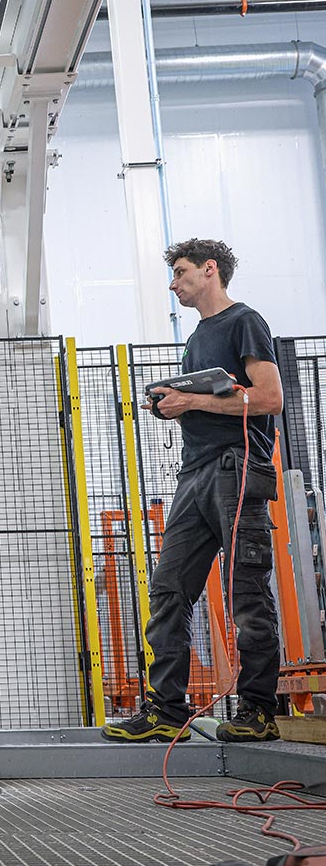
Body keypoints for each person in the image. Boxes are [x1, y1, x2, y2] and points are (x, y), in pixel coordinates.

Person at [102, 238, 284, 744]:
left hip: (236, 469)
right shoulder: (198, 337)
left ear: (210, 270)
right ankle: (166, 710)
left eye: (180, 272)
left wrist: (191, 402)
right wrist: (174, 404)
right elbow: (210, 402)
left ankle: (258, 710)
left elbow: (269, 398)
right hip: (195, 475)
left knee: (246, 591)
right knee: (168, 590)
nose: (173, 283)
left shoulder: (244, 321)